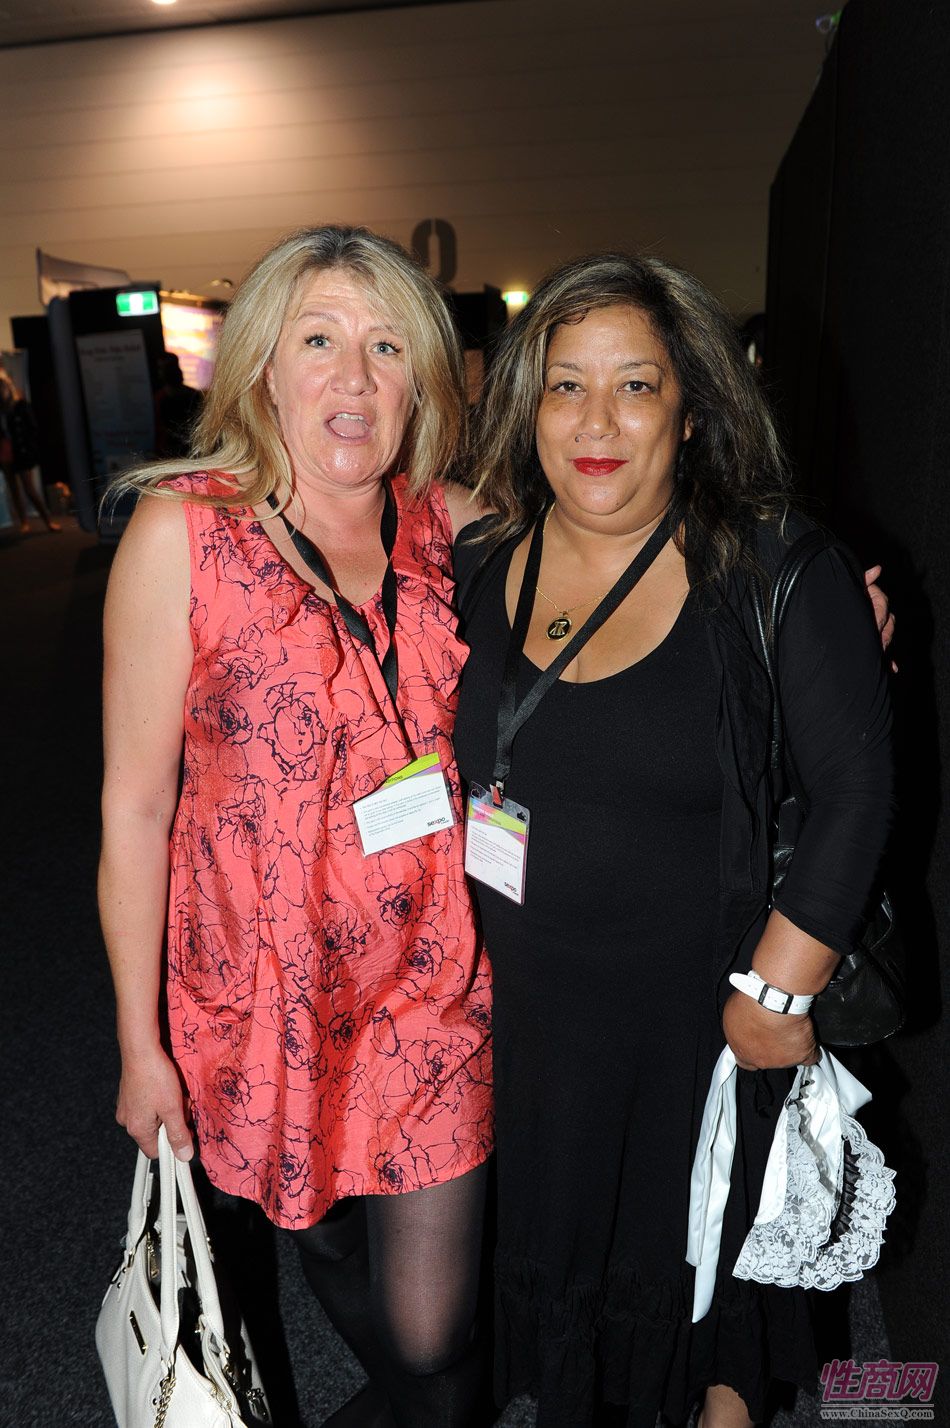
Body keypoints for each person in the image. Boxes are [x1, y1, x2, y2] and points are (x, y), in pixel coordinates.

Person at [451, 253, 895, 1428]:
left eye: (634, 386)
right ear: (525, 407)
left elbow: (855, 792)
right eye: (564, 386)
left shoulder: (771, 565)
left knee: (705, 1327)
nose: (595, 423)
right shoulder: (476, 563)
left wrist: (773, 994)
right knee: (560, 1309)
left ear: (691, 409)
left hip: (695, 1028)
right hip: (523, 1027)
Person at [99, 225, 495, 1428]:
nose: (353, 379)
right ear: (263, 368)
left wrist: (796, 608)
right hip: (263, 986)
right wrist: (138, 1043)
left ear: (421, 379)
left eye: (386, 347)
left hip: (434, 976)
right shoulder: (180, 534)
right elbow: (134, 806)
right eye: (318, 341)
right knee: (320, 1241)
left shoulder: (458, 526)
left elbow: (633, 584)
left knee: (428, 1330)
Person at [0, 371, 60, 533]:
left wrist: (30, 449)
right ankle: (24, 522)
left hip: (22, 451)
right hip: (5, 451)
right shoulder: (2, 409)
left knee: (29, 488)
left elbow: (32, 428)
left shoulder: (19, 405)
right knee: (13, 488)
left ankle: (48, 520)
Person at [153, 351, 203, 458]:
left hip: (191, 449)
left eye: (167, 368)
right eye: (160, 368)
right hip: (169, 451)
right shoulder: (159, 397)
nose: (162, 372)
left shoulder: (193, 395)